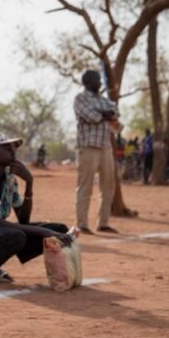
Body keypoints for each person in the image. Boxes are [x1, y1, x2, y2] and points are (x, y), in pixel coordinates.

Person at [0, 132, 71, 283]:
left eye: (13, 147)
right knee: (18, 235)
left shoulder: (9, 176)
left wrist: (29, 183)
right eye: (7, 147)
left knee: (59, 229)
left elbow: (23, 219)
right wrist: (44, 231)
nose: (13, 150)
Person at [73, 69, 119, 234]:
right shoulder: (80, 98)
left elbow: (115, 112)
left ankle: (103, 222)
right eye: (97, 80)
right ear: (88, 82)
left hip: (105, 146)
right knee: (85, 187)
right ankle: (82, 224)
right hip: (87, 146)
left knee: (108, 186)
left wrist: (106, 114)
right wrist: (105, 114)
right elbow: (92, 117)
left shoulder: (104, 100)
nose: (100, 82)